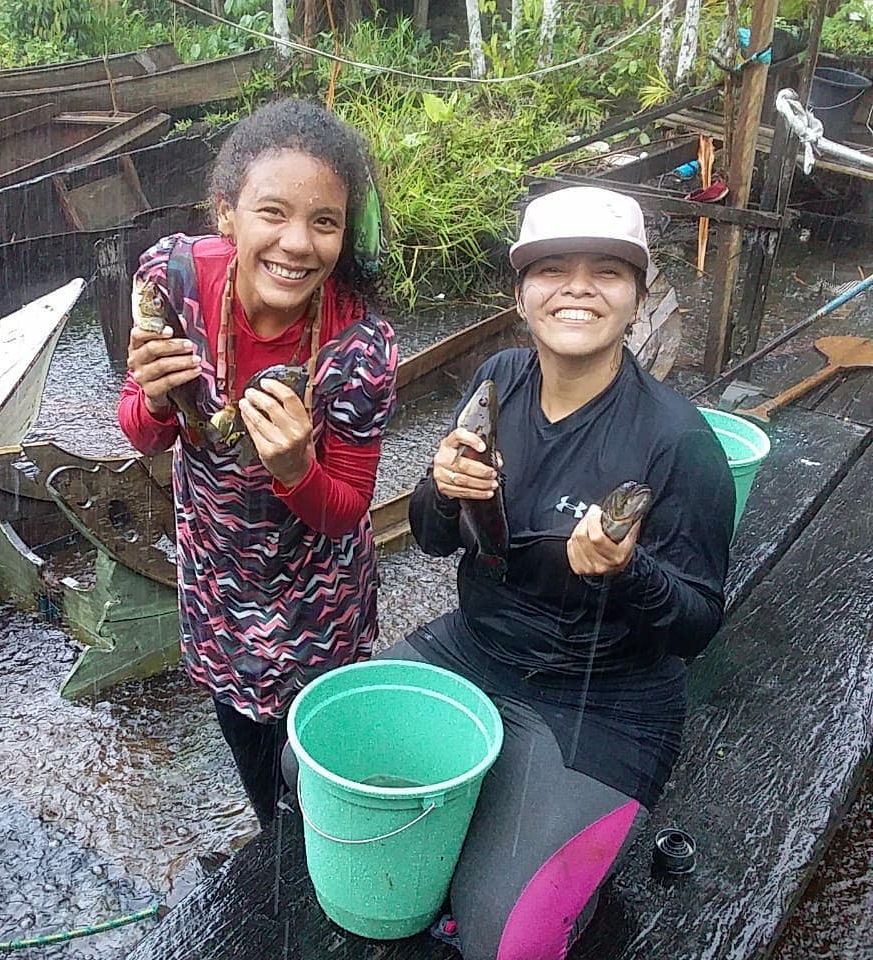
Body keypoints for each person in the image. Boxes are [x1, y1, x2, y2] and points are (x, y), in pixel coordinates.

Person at [393, 186, 735, 959]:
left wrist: (627, 572)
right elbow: (430, 539)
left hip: (605, 700)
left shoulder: (680, 442)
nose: (578, 286)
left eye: (607, 271)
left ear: (638, 298)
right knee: (301, 759)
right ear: (521, 294)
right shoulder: (499, 380)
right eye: (553, 269)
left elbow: (699, 626)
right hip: (476, 647)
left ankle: (547, 835)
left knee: (503, 942)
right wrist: (441, 491)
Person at [117, 98, 398, 830]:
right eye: (272, 212)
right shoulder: (171, 283)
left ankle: (330, 847)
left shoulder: (361, 349)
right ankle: (276, 841)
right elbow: (142, 433)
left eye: (324, 222)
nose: (297, 244)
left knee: (326, 768)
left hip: (322, 601)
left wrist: (299, 468)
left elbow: (348, 510)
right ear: (227, 214)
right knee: (257, 771)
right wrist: (151, 400)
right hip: (220, 587)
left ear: (343, 232)